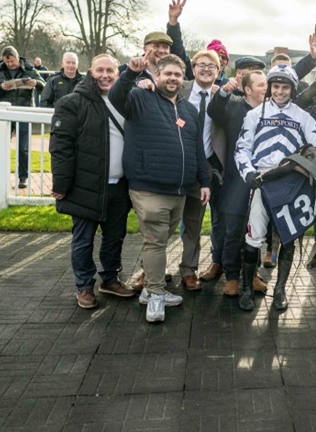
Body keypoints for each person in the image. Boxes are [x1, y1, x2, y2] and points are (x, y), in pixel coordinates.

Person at [109, 54, 211, 323]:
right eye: (168, 74)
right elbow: (117, 97)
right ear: (157, 74)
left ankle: (151, 290)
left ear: (183, 78)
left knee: (161, 240)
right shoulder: (140, 98)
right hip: (149, 187)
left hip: (180, 190)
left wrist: (205, 181)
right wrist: (130, 73)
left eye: (178, 75)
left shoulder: (188, 110)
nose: (173, 79)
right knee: (155, 241)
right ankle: (155, 294)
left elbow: (197, 150)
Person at [50, 54, 136, 309]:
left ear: (118, 74)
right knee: (83, 239)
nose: (105, 75)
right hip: (85, 184)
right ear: (90, 71)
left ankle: (110, 279)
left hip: (119, 185)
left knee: (114, 237)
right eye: (100, 70)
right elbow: (61, 146)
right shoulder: (72, 102)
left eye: (110, 70)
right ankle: (84, 286)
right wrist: (61, 185)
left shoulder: (125, 102)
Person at [235, 64, 316, 312]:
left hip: (292, 184)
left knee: (289, 235)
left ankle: (281, 290)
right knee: (253, 238)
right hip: (262, 181)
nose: (280, 91)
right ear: (270, 87)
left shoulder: (303, 117)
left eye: (285, 87)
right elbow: (242, 148)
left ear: (292, 89)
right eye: (276, 86)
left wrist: (305, 166)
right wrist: (248, 173)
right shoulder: (254, 115)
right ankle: (246, 289)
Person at [203, 70, 268, 297]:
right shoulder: (233, 106)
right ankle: (231, 277)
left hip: (261, 182)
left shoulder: (271, 112)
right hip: (234, 181)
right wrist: (223, 92)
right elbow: (213, 110)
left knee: (256, 231)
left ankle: (252, 275)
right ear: (247, 89)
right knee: (233, 232)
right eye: (260, 85)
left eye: (265, 84)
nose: (265, 88)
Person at [172, 49, 226, 292]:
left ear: (219, 72)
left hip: (203, 169)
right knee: (163, 223)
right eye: (201, 65)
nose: (206, 69)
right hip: (173, 166)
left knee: (193, 223)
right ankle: (150, 270)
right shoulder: (178, 89)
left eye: (211, 66)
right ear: (193, 68)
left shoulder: (220, 97)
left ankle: (188, 270)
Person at [0, 46, 45, 189]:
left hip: (23, 111)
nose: (10, 64)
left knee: (23, 148)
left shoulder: (30, 69)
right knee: (2, 147)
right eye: (7, 62)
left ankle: (23, 178)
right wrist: (1, 87)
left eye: (12, 61)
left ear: (18, 57)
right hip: (4, 113)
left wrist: (36, 83)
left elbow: (44, 86)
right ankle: (1, 177)